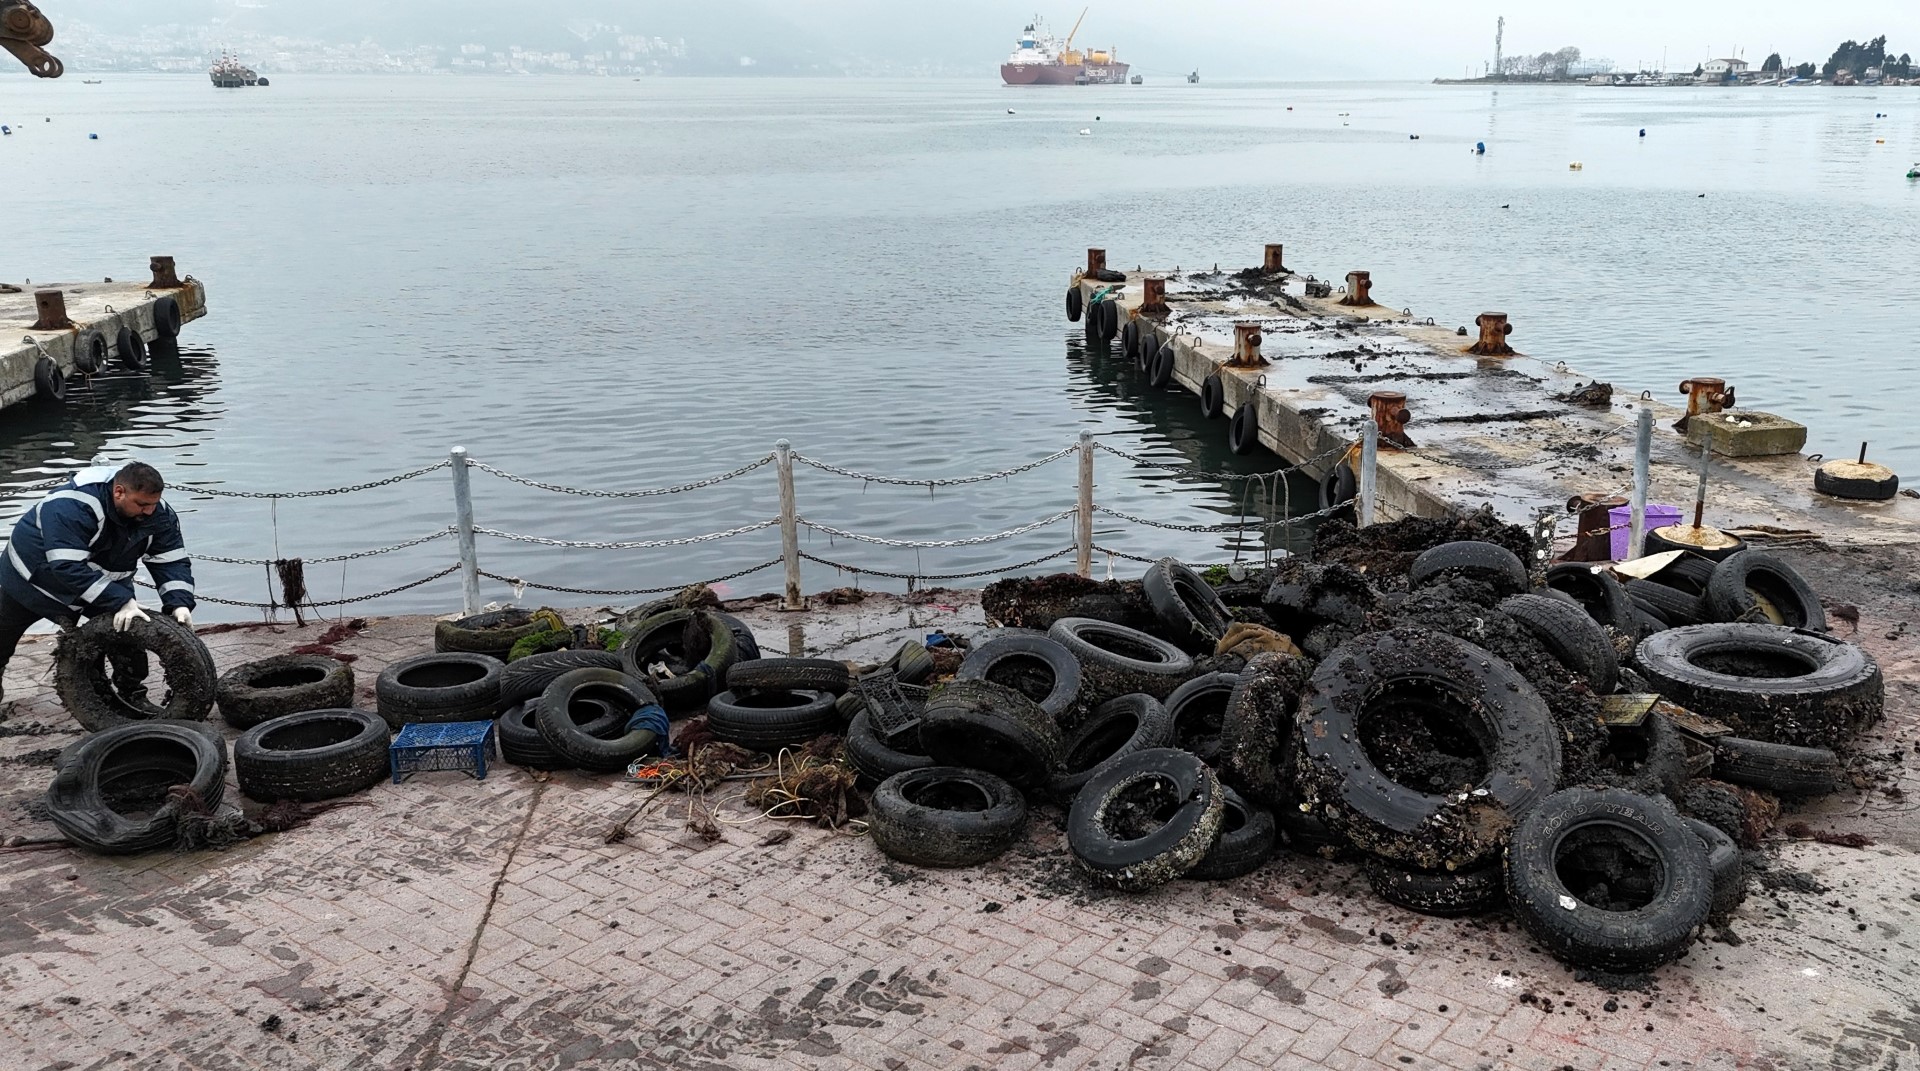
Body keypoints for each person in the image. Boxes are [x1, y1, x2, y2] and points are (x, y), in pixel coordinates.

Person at [0, 460, 197, 707]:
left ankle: (132, 695)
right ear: (119, 492)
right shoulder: (70, 505)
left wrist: (179, 603)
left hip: (101, 582)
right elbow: (66, 565)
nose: (149, 511)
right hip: (33, 578)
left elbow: (171, 560)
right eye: (141, 504)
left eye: (153, 504)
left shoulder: (160, 515)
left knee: (129, 635)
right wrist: (120, 600)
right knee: (2, 635)